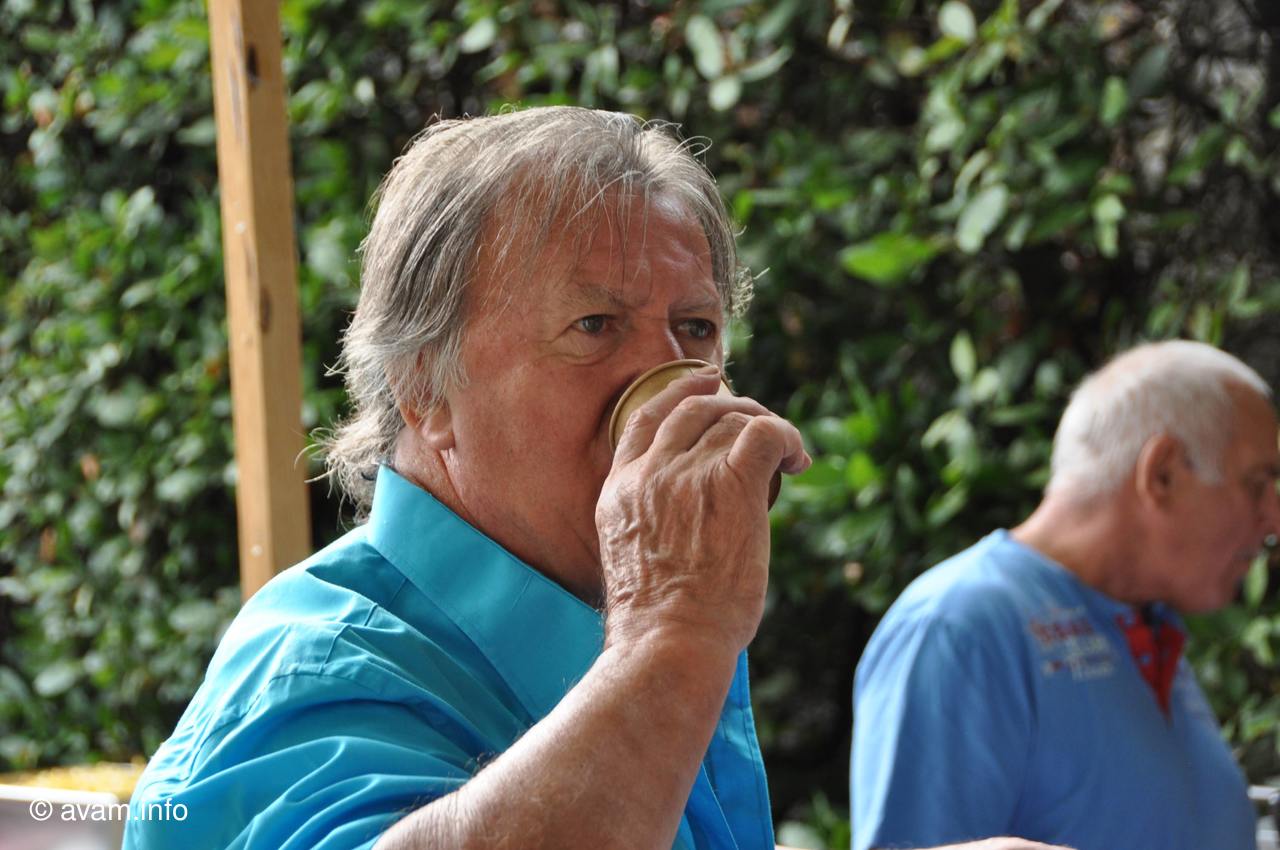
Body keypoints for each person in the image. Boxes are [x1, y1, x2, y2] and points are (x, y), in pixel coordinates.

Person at [124, 106, 1066, 850]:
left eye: (695, 330)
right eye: (595, 327)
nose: (671, 383)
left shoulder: (621, 624)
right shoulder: (321, 669)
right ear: (425, 390)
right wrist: (674, 630)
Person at [851, 340, 1280, 850]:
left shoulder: (1143, 617)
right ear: (1162, 473)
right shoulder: (958, 625)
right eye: (1257, 484)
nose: (1273, 518)